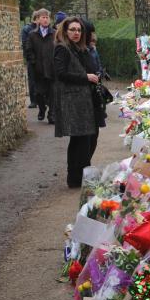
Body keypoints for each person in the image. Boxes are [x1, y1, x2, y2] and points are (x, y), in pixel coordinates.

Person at [52, 15, 105, 188]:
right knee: (81, 140)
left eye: (79, 30)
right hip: (74, 101)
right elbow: (60, 74)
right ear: (65, 31)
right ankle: (75, 178)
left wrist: (95, 74)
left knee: (90, 137)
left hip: (87, 100)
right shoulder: (62, 48)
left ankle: (80, 175)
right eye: (72, 30)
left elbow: (90, 68)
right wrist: (85, 77)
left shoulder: (80, 48)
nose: (76, 33)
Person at [25, 8, 55, 122]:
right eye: (43, 17)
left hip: (52, 69)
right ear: (38, 20)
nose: (46, 20)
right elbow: (28, 50)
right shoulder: (32, 35)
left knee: (52, 93)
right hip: (38, 70)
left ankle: (52, 115)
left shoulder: (54, 34)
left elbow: (59, 49)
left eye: (47, 17)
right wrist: (34, 62)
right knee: (39, 94)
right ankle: (42, 109)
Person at [21, 12, 37, 108]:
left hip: (42, 58)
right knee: (32, 80)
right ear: (36, 18)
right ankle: (34, 100)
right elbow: (25, 45)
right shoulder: (27, 29)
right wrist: (31, 58)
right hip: (32, 59)